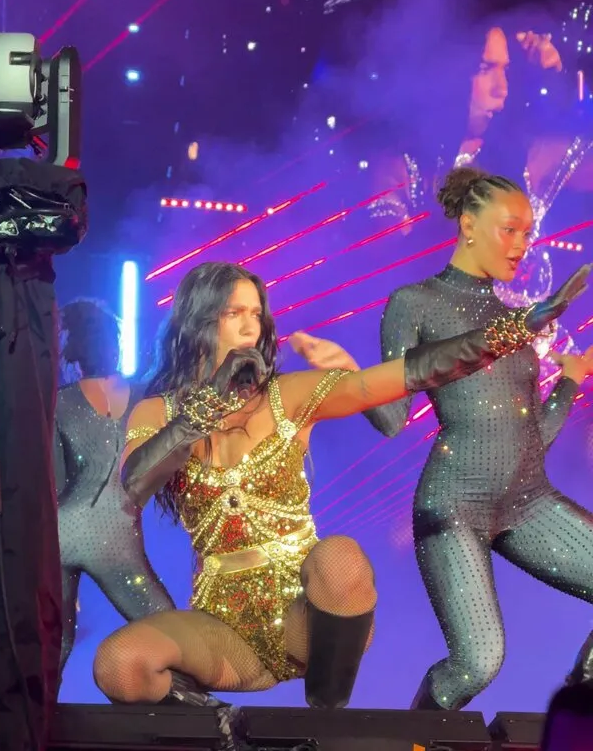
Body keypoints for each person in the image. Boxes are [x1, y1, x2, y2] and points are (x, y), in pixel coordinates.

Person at [91, 257, 587, 729]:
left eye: (256, 315)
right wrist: (210, 402)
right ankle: (227, 730)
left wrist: (514, 329)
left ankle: (327, 725)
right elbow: (133, 486)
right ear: (197, 321)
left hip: (308, 617)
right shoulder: (156, 413)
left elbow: (413, 372)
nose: (250, 327)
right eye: (233, 313)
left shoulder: (289, 395)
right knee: (119, 663)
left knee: (341, 557)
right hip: (221, 627)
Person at [358, 166, 593, 709]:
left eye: (527, 232)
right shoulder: (415, 303)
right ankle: (414, 744)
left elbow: (532, 441)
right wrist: (349, 377)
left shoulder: (516, 324)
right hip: (455, 507)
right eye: (509, 230)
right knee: (478, 663)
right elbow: (391, 420)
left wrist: (570, 383)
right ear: (468, 224)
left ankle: (577, 723)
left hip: (528, 501)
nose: (522, 245)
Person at [55, 299, 174, 672]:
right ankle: (187, 705)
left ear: (72, 347)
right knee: (170, 633)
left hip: (60, 534)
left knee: (56, 644)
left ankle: (31, 710)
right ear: (114, 342)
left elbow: (55, 482)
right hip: (115, 535)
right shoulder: (145, 397)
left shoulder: (58, 402)